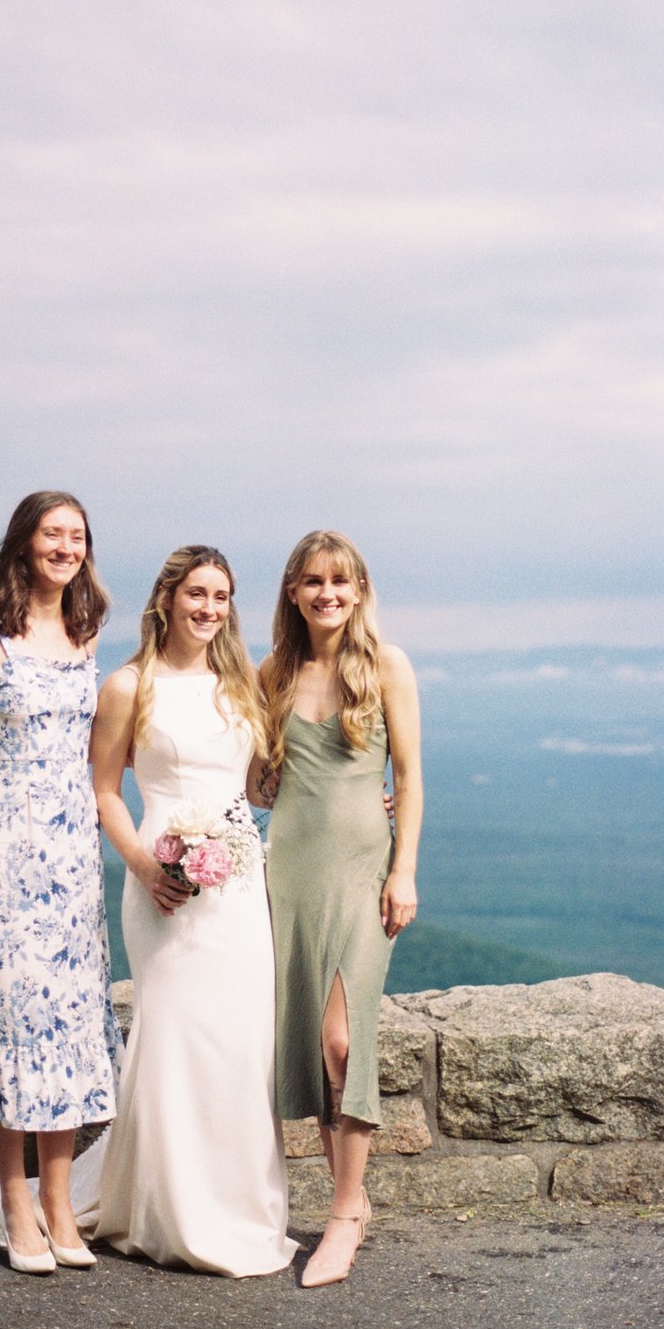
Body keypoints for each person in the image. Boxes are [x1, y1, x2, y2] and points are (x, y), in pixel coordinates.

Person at [88, 546, 298, 1277]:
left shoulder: (241, 684)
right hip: (161, 879)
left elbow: (262, 785)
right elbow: (105, 790)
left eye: (221, 596)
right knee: (176, 1036)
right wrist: (145, 866)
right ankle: (167, 1211)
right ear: (168, 598)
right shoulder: (128, 685)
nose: (210, 608)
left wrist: (368, 797)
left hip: (240, 886)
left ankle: (239, 1207)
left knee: (240, 1042)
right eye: (197, 594)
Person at [0, 490, 122, 1274]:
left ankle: (59, 1200)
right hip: (5, 848)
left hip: (74, 855)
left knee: (71, 1023)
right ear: (23, 542)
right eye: (52, 533)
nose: (66, 546)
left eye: (76, 535)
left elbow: (104, 747)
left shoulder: (84, 633)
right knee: (10, 1019)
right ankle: (15, 1199)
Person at [260, 531, 422, 1289]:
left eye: (341, 580)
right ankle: (347, 1202)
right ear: (293, 590)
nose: (328, 592)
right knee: (316, 1047)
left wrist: (404, 870)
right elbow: (263, 785)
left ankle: (346, 1213)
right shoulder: (274, 672)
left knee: (340, 1036)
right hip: (289, 872)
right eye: (313, 580)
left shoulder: (386, 665)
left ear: (359, 590)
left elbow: (411, 778)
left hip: (364, 872)